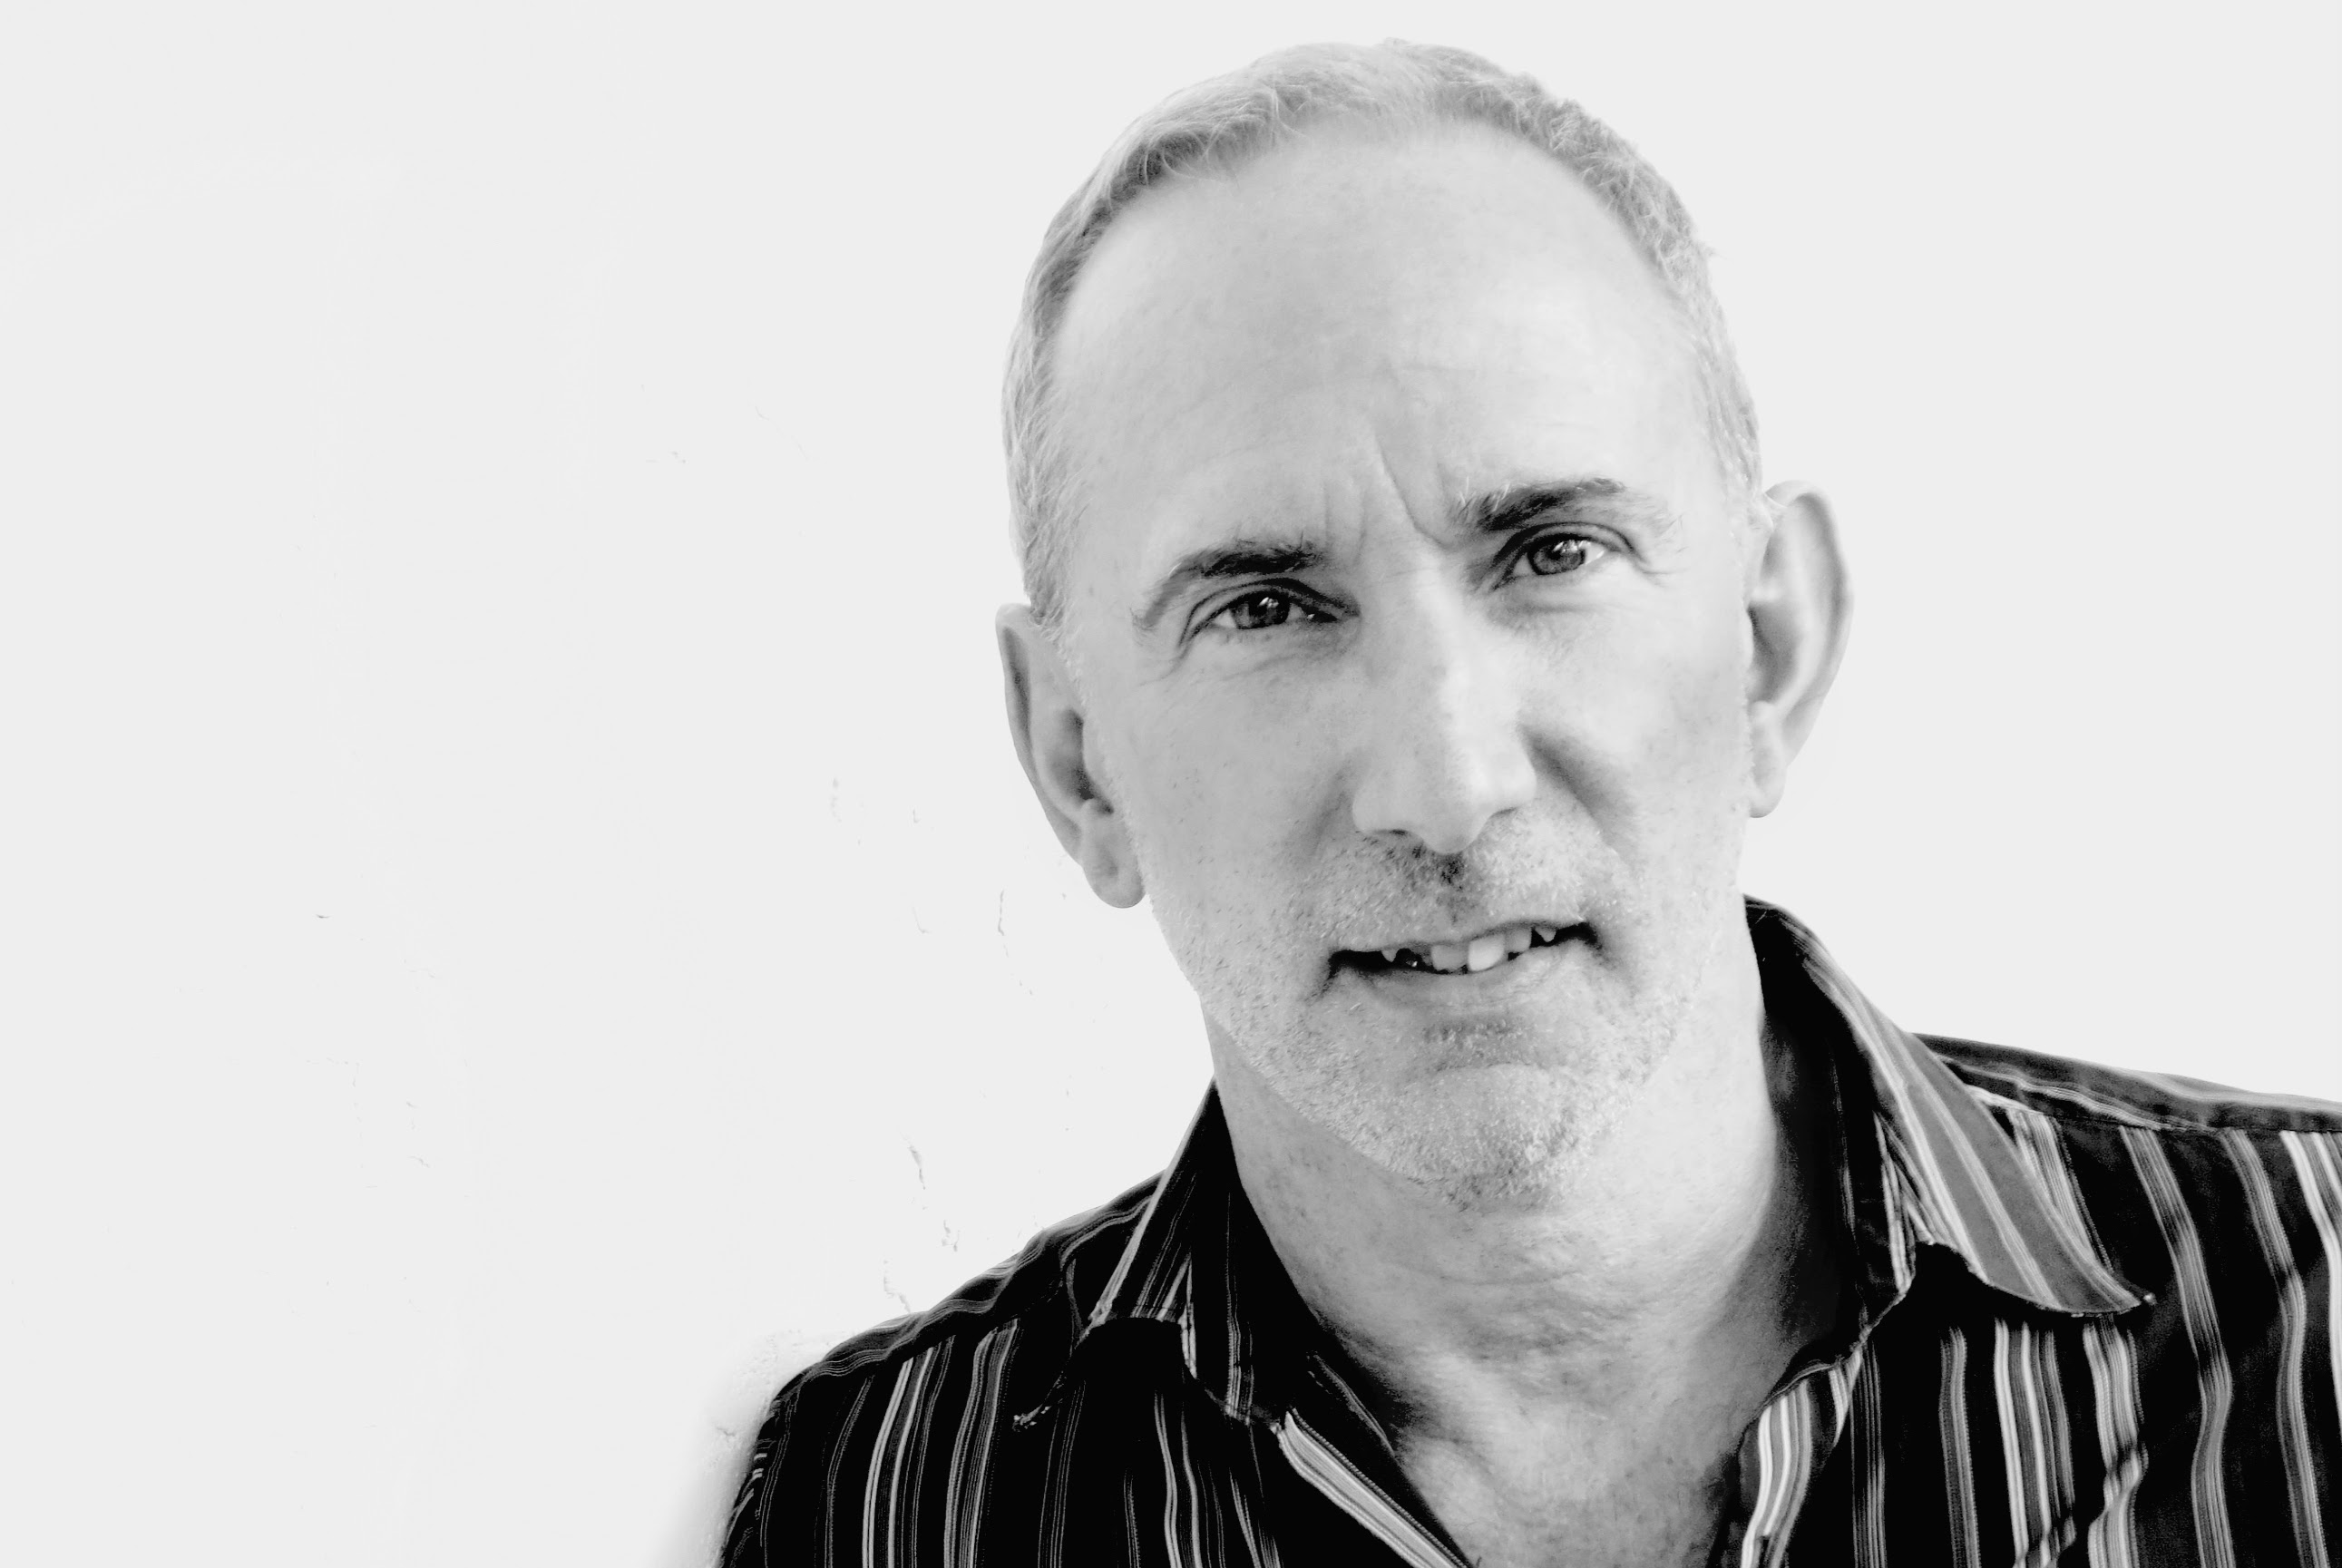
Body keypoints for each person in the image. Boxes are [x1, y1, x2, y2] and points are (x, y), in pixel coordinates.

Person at [722, 40, 2341, 1568]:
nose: (1446, 785)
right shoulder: (892, 1504)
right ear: (1075, 757)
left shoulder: (2313, 1305)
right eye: (1265, 605)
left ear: (1769, 646)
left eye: (1551, 553)